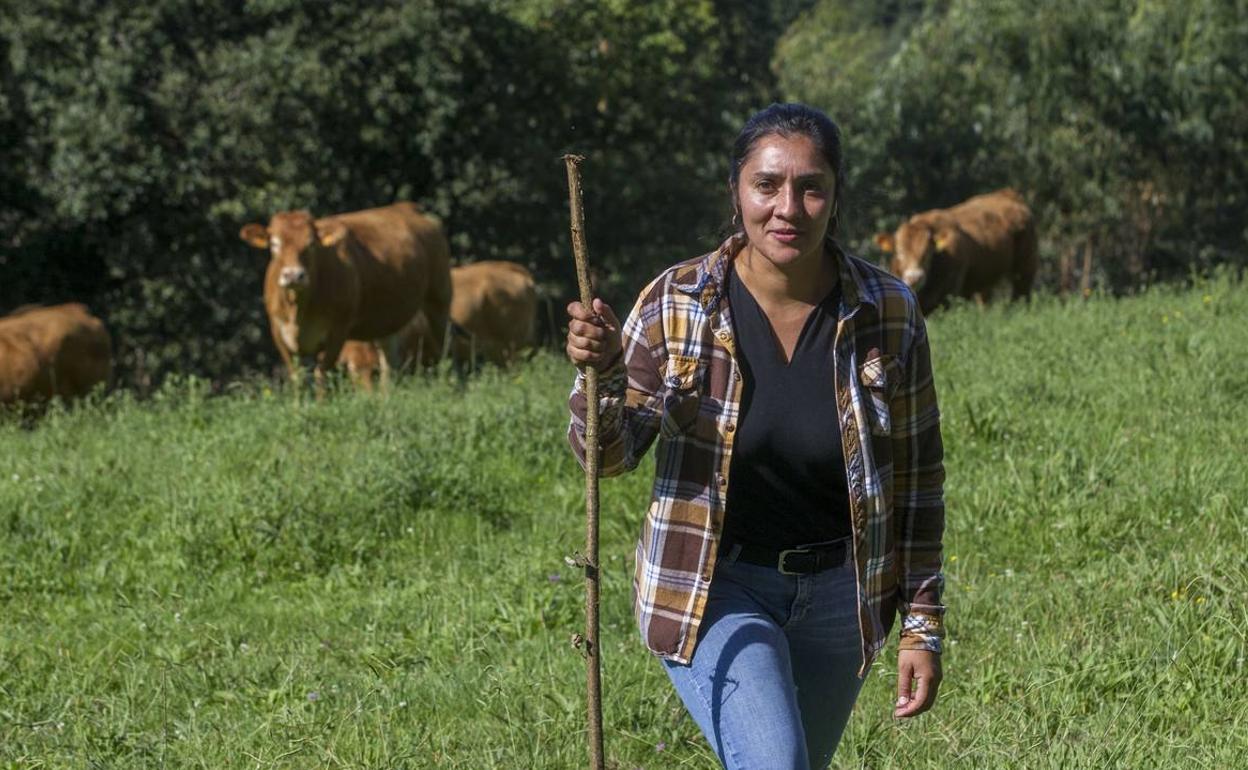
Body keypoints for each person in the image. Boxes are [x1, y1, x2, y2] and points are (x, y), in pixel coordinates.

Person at [566, 102, 946, 769]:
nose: (788, 208)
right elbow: (609, 457)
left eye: (811, 187)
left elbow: (918, 480)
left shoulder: (887, 312)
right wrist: (600, 377)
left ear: (836, 196)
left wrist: (922, 623)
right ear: (737, 191)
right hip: (715, 587)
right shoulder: (675, 301)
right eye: (767, 185)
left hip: (841, 597)